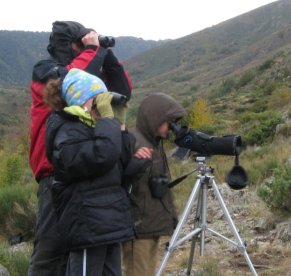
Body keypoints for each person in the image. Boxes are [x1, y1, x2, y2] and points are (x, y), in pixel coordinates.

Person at [28, 20, 132, 276]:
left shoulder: (87, 72)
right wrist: (94, 50)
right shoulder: (45, 71)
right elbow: (72, 77)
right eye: (82, 43)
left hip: (86, 176)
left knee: (78, 252)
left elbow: (122, 91)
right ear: (69, 46)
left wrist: (107, 55)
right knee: (50, 250)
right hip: (56, 173)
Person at [44, 68, 135, 275]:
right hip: (86, 223)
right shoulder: (67, 130)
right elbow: (101, 157)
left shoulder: (98, 128)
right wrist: (107, 122)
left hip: (109, 220)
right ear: (81, 101)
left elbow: (124, 163)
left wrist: (120, 126)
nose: (102, 106)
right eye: (97, 100)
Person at [122, 93, 187, 276]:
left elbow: (162, 186)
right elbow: (122, 177)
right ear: (155, 118)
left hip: (151, 224)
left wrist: (171, 217)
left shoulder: (154, 143)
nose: (171, 128)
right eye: (168, 122)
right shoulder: (133, 141)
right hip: (138, 227)